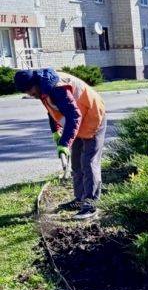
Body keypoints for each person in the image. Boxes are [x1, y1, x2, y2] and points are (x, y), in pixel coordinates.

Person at [14, 68, 106, 219]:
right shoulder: (43, 87)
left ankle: (90, 206)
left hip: (93, 115)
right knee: (76, 161)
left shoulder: (56, 88)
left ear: (34, 83)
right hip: (78, 121)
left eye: (29, 90)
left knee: (89, 162)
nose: (29, 94)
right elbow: (52, 110)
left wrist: (65, 142)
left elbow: (74, 115)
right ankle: (80, 200)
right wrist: (56, 131)